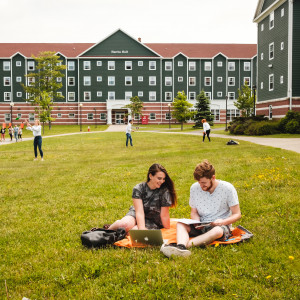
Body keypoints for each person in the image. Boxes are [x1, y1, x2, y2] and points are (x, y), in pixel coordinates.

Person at [161, 160, 241, 257]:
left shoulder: (228, 188)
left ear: (213, 178)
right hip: (202, 225)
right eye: (199, 182)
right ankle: (181, 247)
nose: (201, 186)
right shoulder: (194, 188)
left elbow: (237, 214)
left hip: (220, 226)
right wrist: (196, 222)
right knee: (181, 224)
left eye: (204, 182)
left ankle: (183, 247)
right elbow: (194, 212)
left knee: (217, 231)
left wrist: (223, 222)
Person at [108, 163, 177, 232]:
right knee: (124, 224)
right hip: (136, 214)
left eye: (163, 179)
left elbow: (164, 215)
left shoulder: (164, 191)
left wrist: (168, 231)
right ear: (150, 176)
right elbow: (139, 212)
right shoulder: (139, 188)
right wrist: (142, 229)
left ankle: (120, 233)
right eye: (159, 178)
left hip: (152, 220)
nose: (162, 181)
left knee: (134, 231)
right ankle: (104, 232)